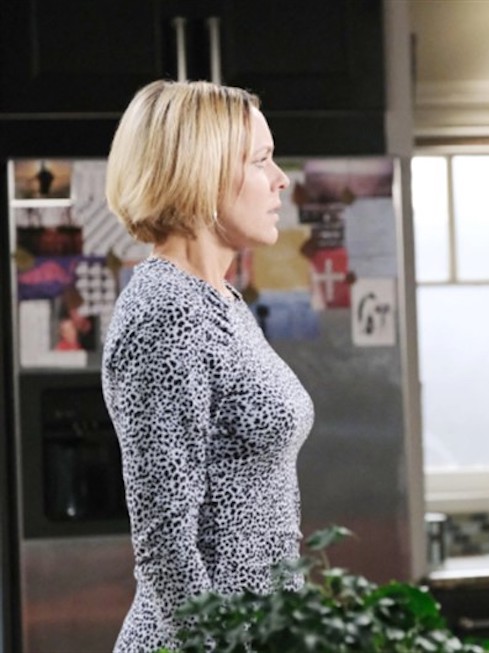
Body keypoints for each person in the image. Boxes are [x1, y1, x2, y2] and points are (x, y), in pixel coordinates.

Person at [102, 79, 314, 653]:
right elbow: (166, 547)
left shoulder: (221, 299)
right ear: (204, 173)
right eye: (261, 160)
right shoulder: (165, 311)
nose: (281, 179)